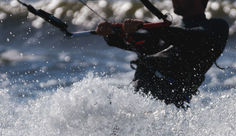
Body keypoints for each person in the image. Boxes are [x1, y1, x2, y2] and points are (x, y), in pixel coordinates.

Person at [95, 0, 229, 108]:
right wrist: (110, 33)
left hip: (168, 108)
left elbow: (190, 37)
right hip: (137, 102)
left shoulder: (217, 27)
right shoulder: (165, 34)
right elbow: (132, 42)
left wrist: (148, 26)